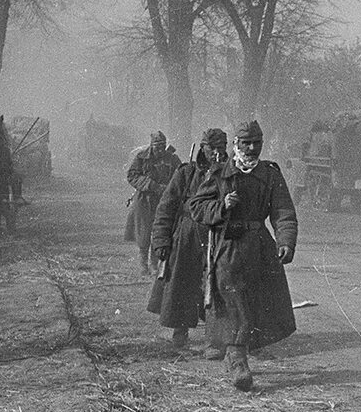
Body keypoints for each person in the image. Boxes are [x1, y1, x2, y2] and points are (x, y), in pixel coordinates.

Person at [188, 121, 298, 391]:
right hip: (229, 246)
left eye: (256, 143)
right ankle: (237, 358)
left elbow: (283, 211)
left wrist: (286, 242)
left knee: (257, 301)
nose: (251, 148)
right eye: (246, 143)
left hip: (260, 247)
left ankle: (237, 351)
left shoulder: (270, 174)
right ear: (235, 144)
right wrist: (221, 207)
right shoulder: (220, 173)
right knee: (233, 296)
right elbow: (197, 207)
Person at [147, 128, 227, 350]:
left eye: (222, 148)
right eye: (213, 148)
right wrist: (161, 241)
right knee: (181, 282)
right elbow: (166, 208)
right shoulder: (186, 173)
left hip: (218, 234)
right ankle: (179, 331)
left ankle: (216, 338)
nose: (217, 153)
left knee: (218, 285)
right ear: (203, 148)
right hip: (187, 234)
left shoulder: (230, 173)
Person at [125, 131, 181, 274]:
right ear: (151, 146)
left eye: (163, 147)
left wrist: (169, 188)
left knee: (160, 231)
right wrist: (152, 185)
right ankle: (143, 263)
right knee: (143, 232)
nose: (160, 151)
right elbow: (132, 175)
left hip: (164, 200)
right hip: (145, 199)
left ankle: (155, 264)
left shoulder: (172, 159)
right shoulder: (142, 158)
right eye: (157, 147)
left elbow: (180, 176)